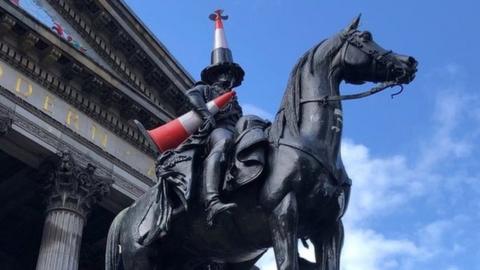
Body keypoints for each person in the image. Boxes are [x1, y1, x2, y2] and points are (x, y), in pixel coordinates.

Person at [187, 67, 243, 226]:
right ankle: (212, 201)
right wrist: (206, 115)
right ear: (216, 75)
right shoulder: (206, 89)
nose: (230, 76)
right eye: (227, 72)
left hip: (235, 132)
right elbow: (192, 95)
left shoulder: (235, 102)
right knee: (223, 143)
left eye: (232, 75)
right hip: (218, 130)